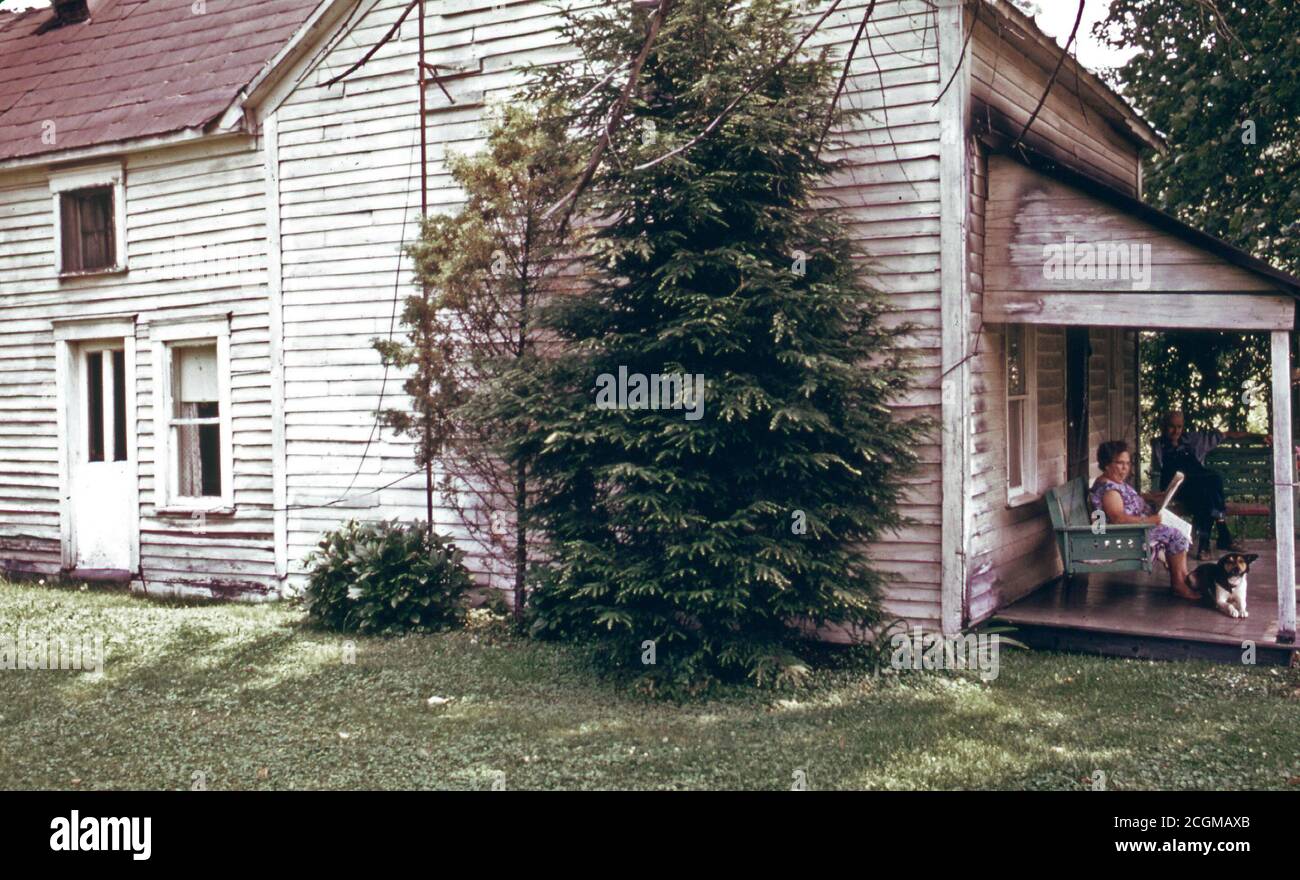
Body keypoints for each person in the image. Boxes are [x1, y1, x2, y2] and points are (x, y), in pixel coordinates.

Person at [1091, 440, 1198, 600]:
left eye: (1127, 463)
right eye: (1120, 463)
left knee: (1179, 530)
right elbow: (1118, 519)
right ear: (1106, 464)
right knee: (1174, 535)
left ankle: (1182, 577)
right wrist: (1149, 521)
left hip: (1136, 528)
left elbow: (1130, 499)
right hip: (1125, 535)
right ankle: (1178, 584)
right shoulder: (1109, 490)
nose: (1125, 468)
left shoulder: (1115, 482)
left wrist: (1156, 497)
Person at [1150, 410, 1253, 559]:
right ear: (1163, 426)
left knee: (1208, 490)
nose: (1176, 431)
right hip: (1178, 487)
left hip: (1199, 486)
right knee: (1212, 481)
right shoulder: (1159, 445)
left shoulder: (1191, 440)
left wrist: (1262, 436)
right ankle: (1222, 534)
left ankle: (1205, 546)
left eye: (1179, 427)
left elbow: (1225, 434)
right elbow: (1161, 475)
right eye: (1171, 427)